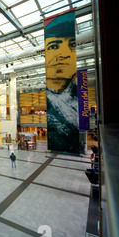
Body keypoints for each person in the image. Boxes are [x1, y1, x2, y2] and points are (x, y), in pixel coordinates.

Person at [44, 11, 80, 154]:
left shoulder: (76, 94)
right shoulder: (51, 102)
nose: (65, 54)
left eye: (72, 44)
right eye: (54, 46)